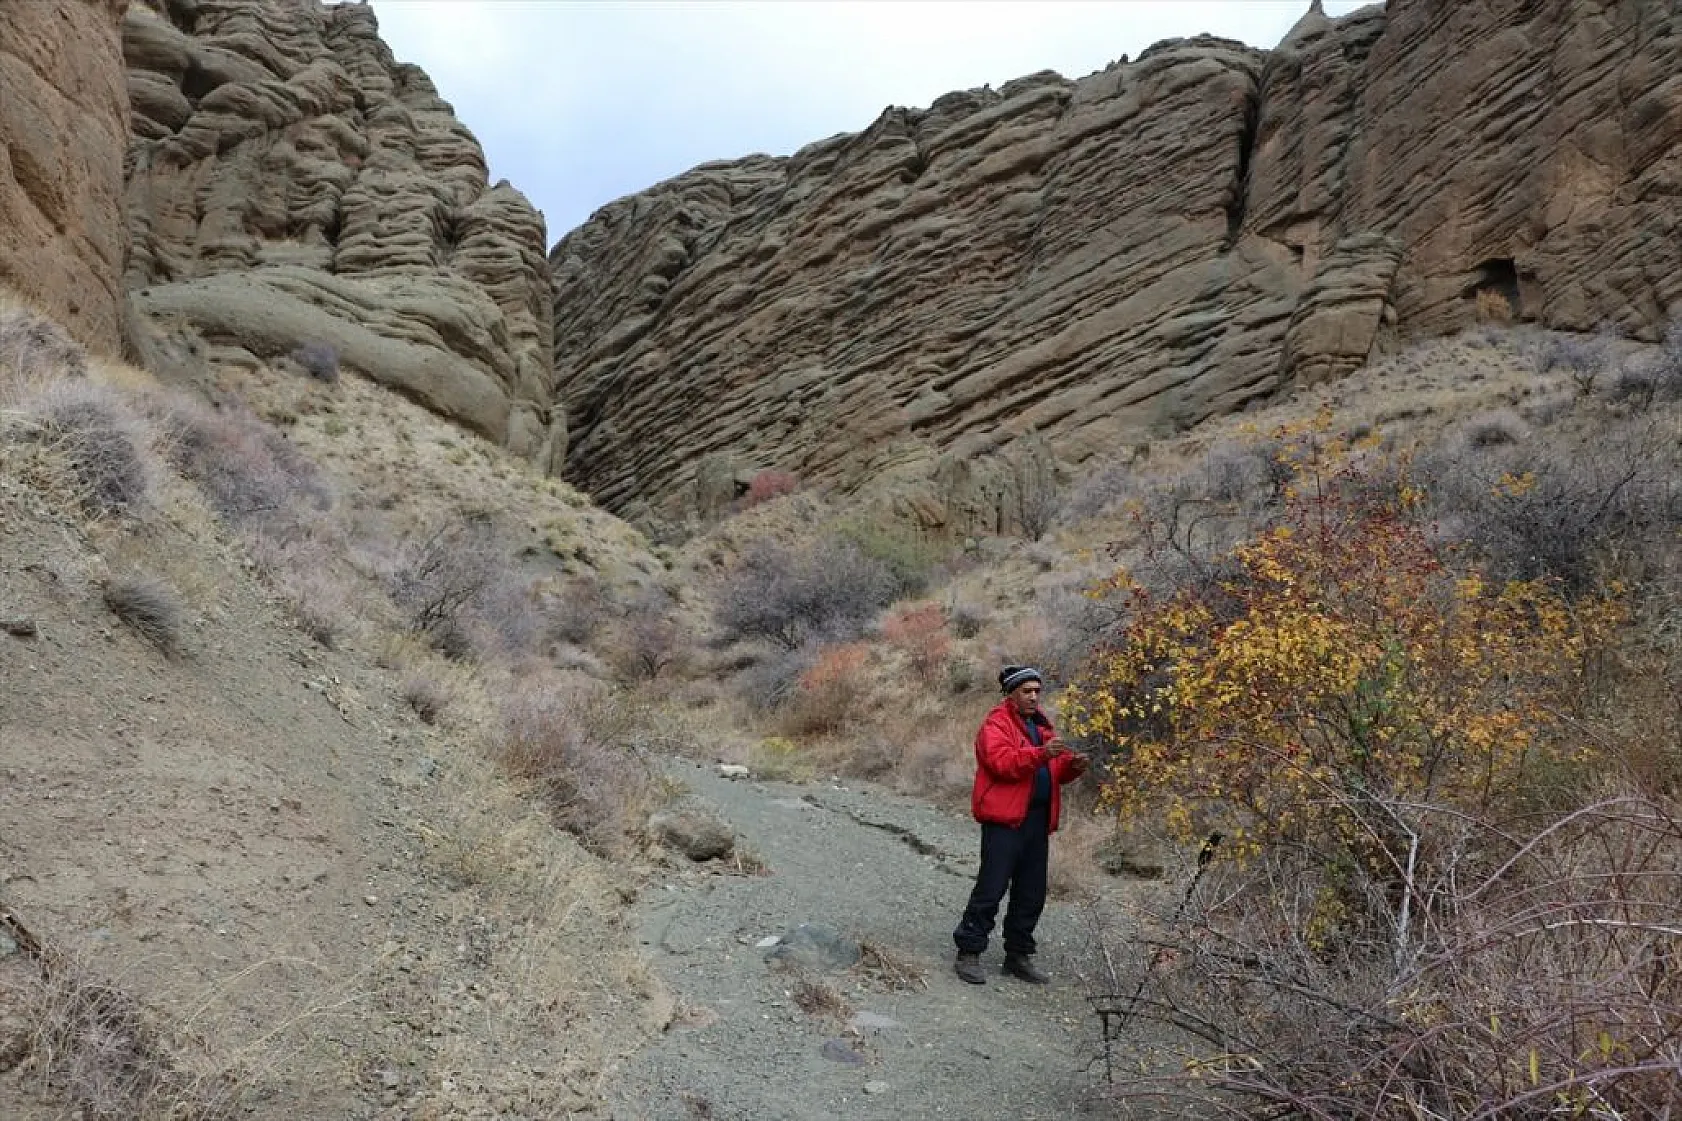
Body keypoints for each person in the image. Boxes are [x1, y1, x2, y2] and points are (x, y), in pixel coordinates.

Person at [952, 665, 1089, 985]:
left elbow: (1053, 772)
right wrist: (1042, 754)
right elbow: (1003, 764)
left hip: (1036, 821)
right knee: (992, 887)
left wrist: (1072, 767)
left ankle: (1017, 955)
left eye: (1037, 691)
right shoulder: (995, 724)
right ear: (1010, 693)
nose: (1034, 697)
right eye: (1026, 691)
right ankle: (969, 951)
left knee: (1031, 893)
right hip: (1004, 822)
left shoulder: (1040, 727)